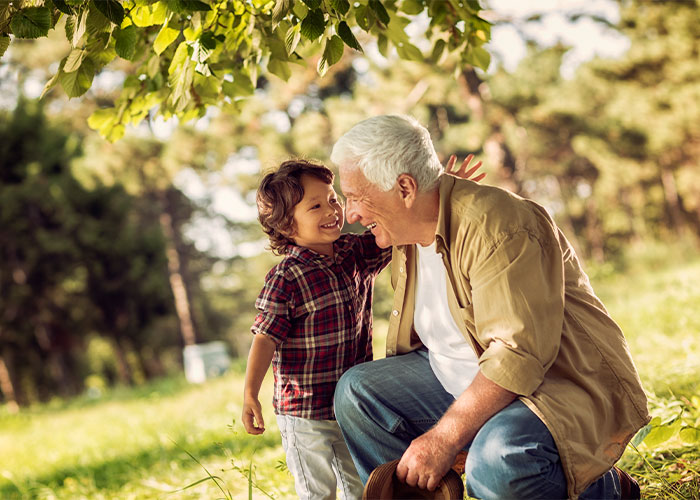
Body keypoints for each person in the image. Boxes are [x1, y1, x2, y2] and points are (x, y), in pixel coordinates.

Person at [330, 115, 650, 500]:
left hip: (548, 387)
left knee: (496, 462)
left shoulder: (500, 224)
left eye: (355, 197)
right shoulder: (407, 229)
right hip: (462, 381)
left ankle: (603, 491)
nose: (351, 214)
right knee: (359, 393)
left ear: (404, 187)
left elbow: (518, 354)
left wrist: (445, 437)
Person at [241, 158, 482, 500]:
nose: (332, 210)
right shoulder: (286, 278)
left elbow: (399, 228)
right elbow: (265, 338)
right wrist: (251, 393)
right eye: (316, 206)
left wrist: (437, 191)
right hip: (304, 413)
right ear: (285, 225)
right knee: (316, 491)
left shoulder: (353, 252)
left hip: (349, 408)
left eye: (333, 200)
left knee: (364, 488)